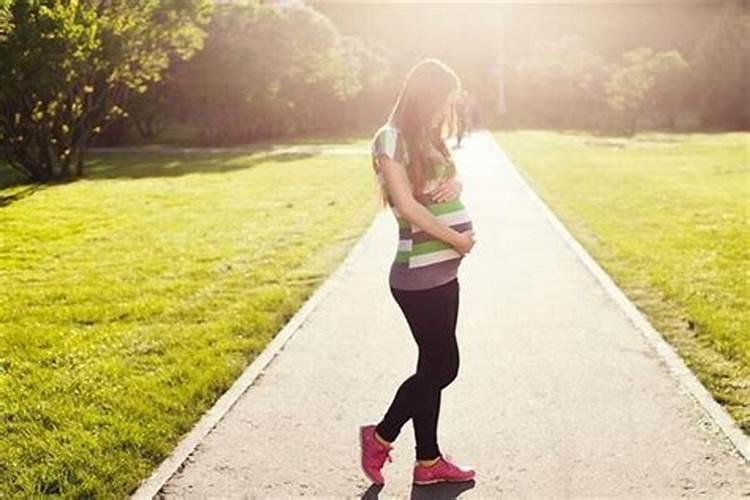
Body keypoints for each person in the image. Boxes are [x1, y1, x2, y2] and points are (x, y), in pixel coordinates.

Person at [359, 58, 477, 487]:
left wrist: (457, 185)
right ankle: (381, 434)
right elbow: (407, 206)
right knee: (444, 367)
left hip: (443, 273)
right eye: (442, 101)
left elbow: (444, 181)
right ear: (425, 95)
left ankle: (428, 463)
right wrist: (458, 239)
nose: (444, 110)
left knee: (432, 365)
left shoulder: (426, 136)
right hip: (417, 275)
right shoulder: (388, 139)